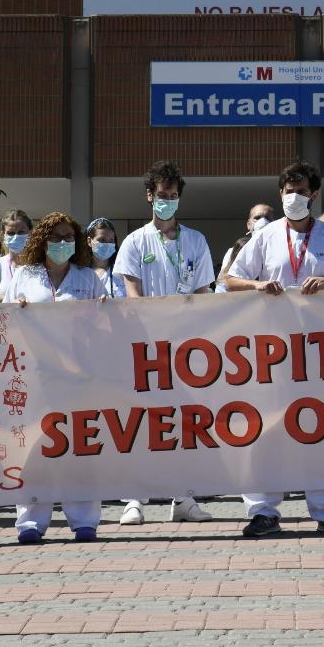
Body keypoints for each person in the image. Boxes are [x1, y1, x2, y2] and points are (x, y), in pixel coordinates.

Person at [223, 163, 324, 537]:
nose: (291, 197)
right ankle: (263, 510)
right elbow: (230, 280)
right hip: (272, 351)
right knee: (266, 428)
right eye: (286, 190)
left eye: (299, 190)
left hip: (320, 352)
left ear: (314, 195)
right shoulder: (265, 237)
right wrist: (257, 285)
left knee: (322, 429)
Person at [112, 161, 215, 525]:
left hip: (185, 346)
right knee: (140, 421)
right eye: (162, 195)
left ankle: (183, 497)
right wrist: (154, 328)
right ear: (149, 196)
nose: (167, 201)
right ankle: (134, 499)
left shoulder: (196, 241)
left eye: (173, 196)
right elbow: (131, 294)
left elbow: (204, 292)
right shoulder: (135, 241)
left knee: (185, 421)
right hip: (144, 344)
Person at [0, 213, 107, 541]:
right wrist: (16, 308)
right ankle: (32, 521)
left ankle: (84, 519)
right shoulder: (24, 275)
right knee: (34, 447)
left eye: (68, 237)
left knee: (79, 446)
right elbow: (3, 320)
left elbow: (106, 326)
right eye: (56, 237)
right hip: (35, 374)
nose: (63, 243)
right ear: (43, 241)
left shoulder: (88, 278)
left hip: (78, 375)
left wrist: (103, 309)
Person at [219, 202, 274, 286]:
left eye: (267, 218)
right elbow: (223, 286)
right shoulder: (234, 251)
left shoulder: (281, 249)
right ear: (249, 224)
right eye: (257, 218)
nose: (263, 221)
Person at [85, 218, 122, 298]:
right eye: (102, 240)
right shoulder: (80, 273)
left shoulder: (122, 272)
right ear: (89, 241)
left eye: (111, 240)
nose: (107, 244)